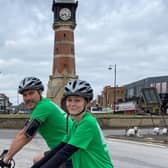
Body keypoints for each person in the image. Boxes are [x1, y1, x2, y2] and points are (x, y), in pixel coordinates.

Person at [31, 79, 113, 168]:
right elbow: (58, 150)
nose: (72, 104)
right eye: (69, 100)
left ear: (86, 102)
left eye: (77, 100)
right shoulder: (75, 123)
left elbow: (65, 153)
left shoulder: (88, 122)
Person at [0, 76, 72, 168]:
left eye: (31, 93)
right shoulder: (46, 104)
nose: (28, 98)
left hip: (70, 155)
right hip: (62, 150)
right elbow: (27, 132)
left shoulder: (43, 107)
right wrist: (10, 151)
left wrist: (6, 159)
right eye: (25, 95)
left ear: (40, 92)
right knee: (37, 159)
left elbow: (25, 136)